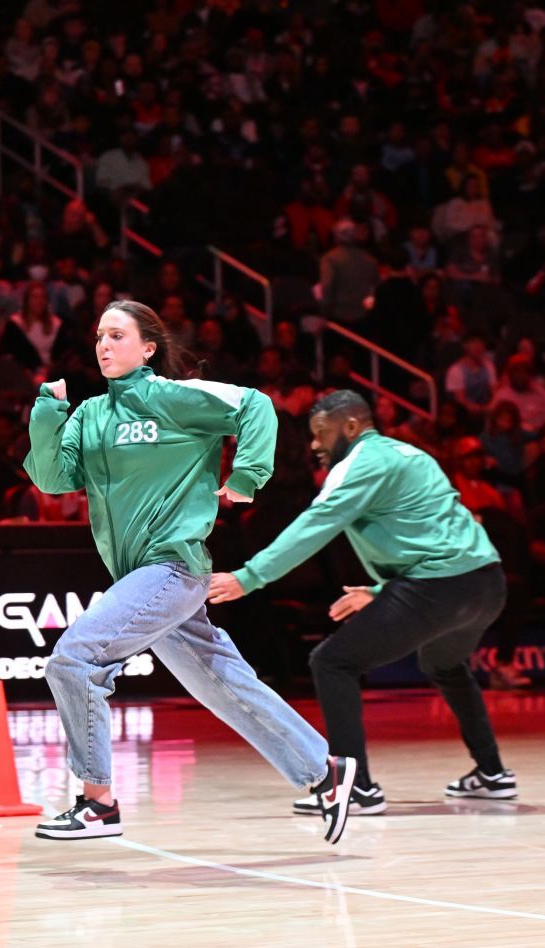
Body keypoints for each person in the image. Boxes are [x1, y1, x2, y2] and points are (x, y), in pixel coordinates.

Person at [22, 301, 356, 843]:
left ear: (148, 348)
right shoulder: (90, 415)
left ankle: (97, 801)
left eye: (117, 335)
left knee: (75, 657)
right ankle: (327, 771)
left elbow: (256, 407)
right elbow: (53, 478)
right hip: (139, 576)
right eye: (99, 337)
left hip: (174, 565)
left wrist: (246, 474)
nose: (103, 345)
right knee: (225, 686)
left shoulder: (175, 399)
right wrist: (47, 412)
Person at [207, 390, 514, 814]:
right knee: (443, 664)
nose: (314, 444)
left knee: (332, 663)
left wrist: (250, 576)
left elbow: (318, 524)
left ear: (350, 427)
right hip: (486, 583)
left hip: (438, 587)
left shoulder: (358, 464)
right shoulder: (411, 455)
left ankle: (354, 788)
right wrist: (379, 592)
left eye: (321, 433)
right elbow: (437, 531)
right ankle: (493, 773)